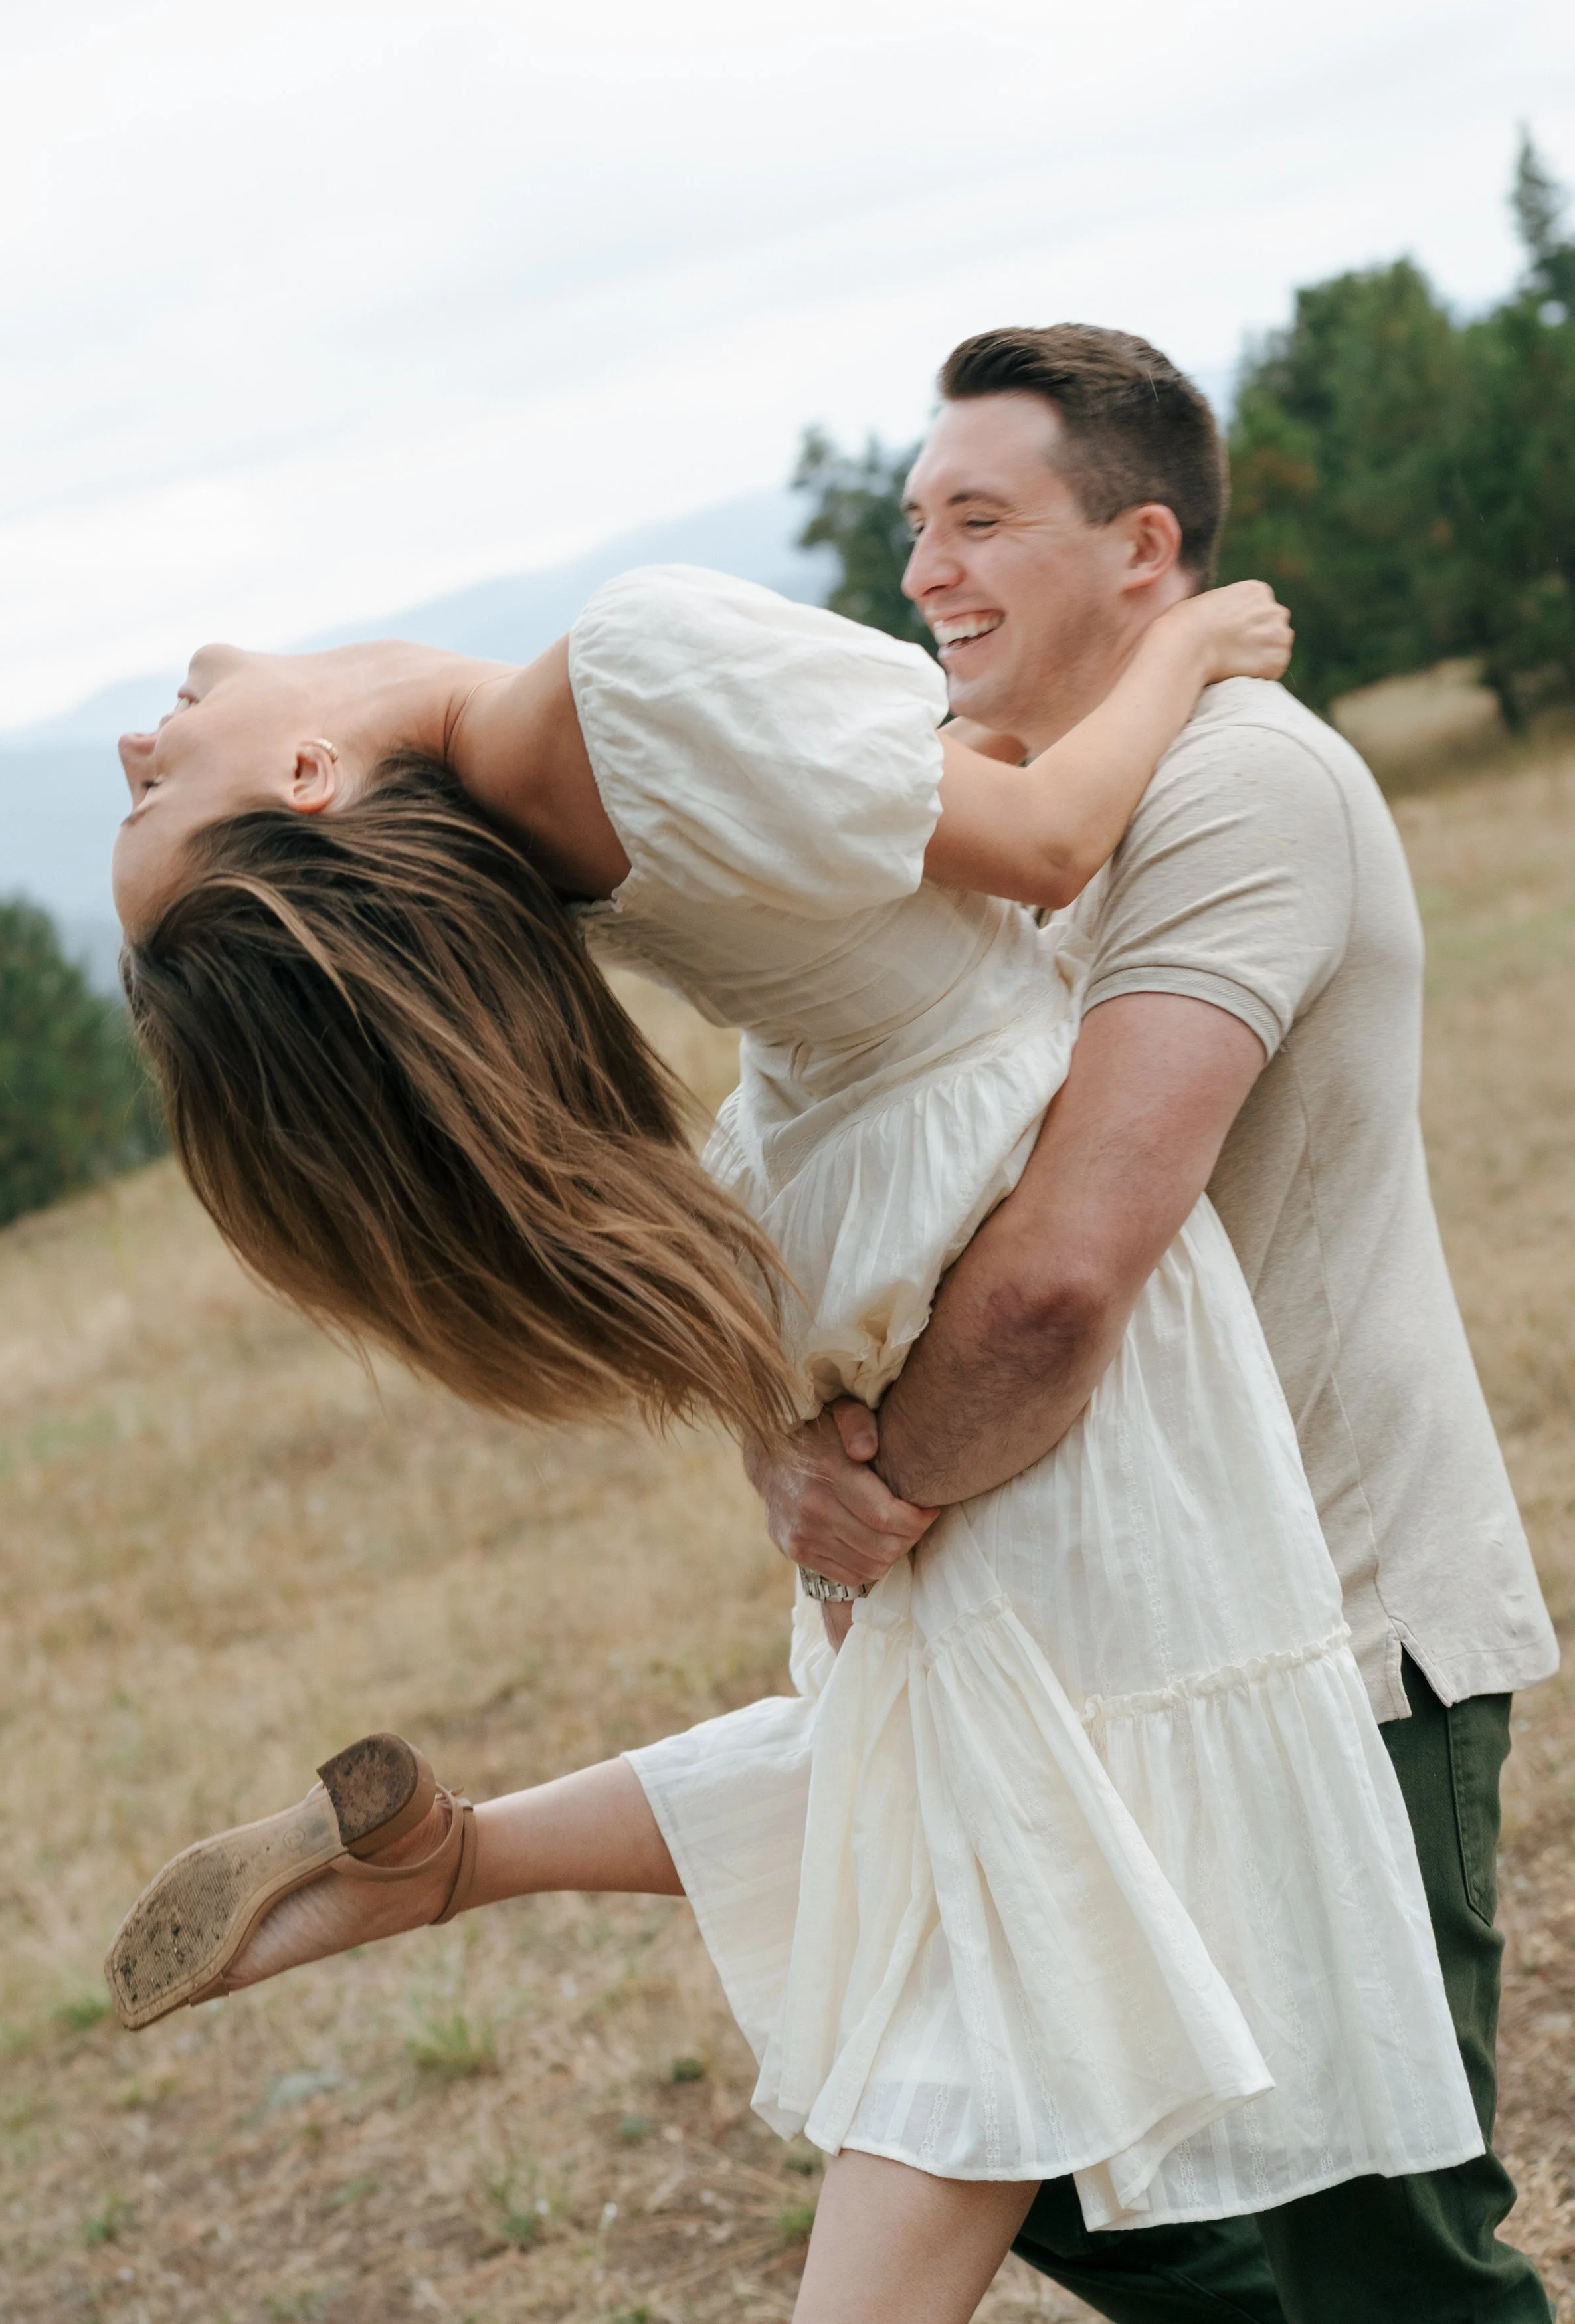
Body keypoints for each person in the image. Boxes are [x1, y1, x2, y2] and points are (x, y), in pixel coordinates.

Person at [102, 369, 1480, 2324]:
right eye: (157, 789)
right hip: (973, 1173)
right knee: (1024, 1895)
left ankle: (450, 1856)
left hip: (861, 1194)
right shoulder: (626, 672)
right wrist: (1186, 647)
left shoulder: (537, 797)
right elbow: (1031, 846)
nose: (145, 730)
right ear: (313, 788)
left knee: (948, 1771)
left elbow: (892, 811)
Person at [749, 324, 1561, 2323]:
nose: (926, 567)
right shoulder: (998, 813)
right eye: (913, 523)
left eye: (979, 520)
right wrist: (780, 1438)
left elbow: (1050, 1276)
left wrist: (878, 1498)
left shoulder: (1239, 784)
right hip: (1083, 1646)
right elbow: (826, 1194)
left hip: (1321, 1632)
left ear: (1141, 547)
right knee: (1016, 2142)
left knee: (1370, 2254)